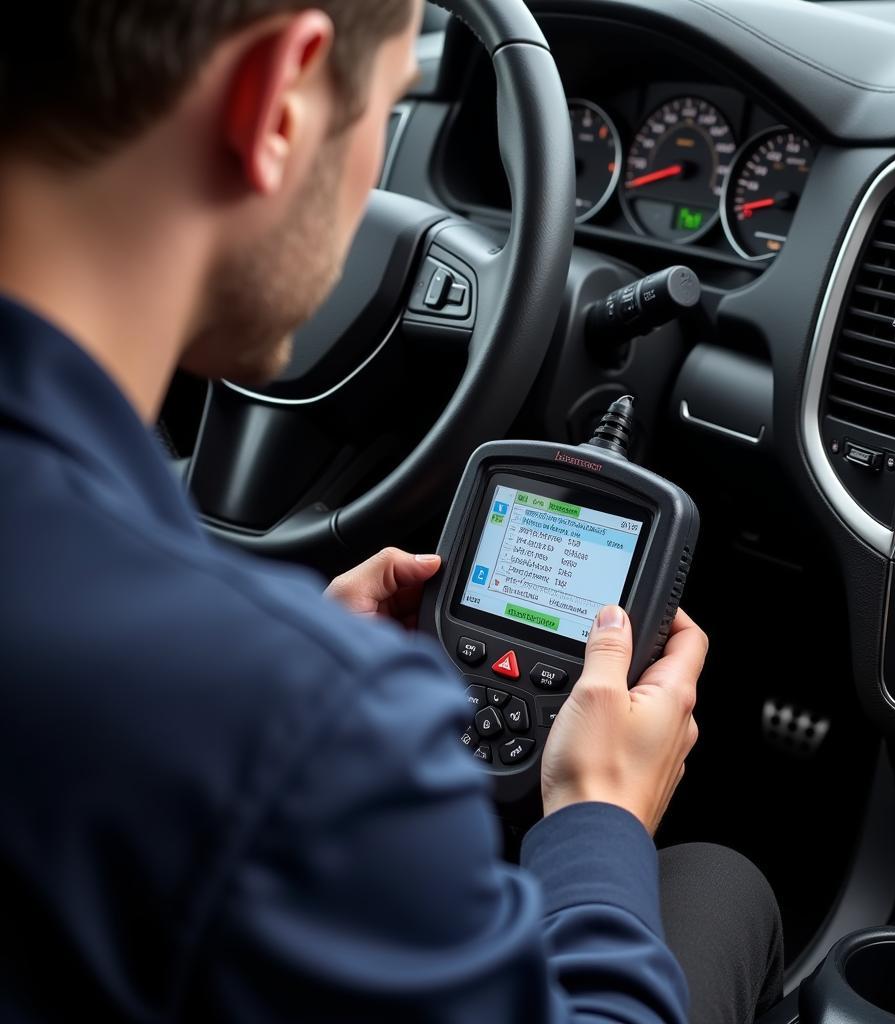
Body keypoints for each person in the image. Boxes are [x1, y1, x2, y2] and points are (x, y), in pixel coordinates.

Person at [0, 1, 783, 1021]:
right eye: (394, 105)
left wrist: (295, 655)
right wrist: (598, 816)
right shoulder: (297, 731)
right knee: (724, 881)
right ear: (277, 101)